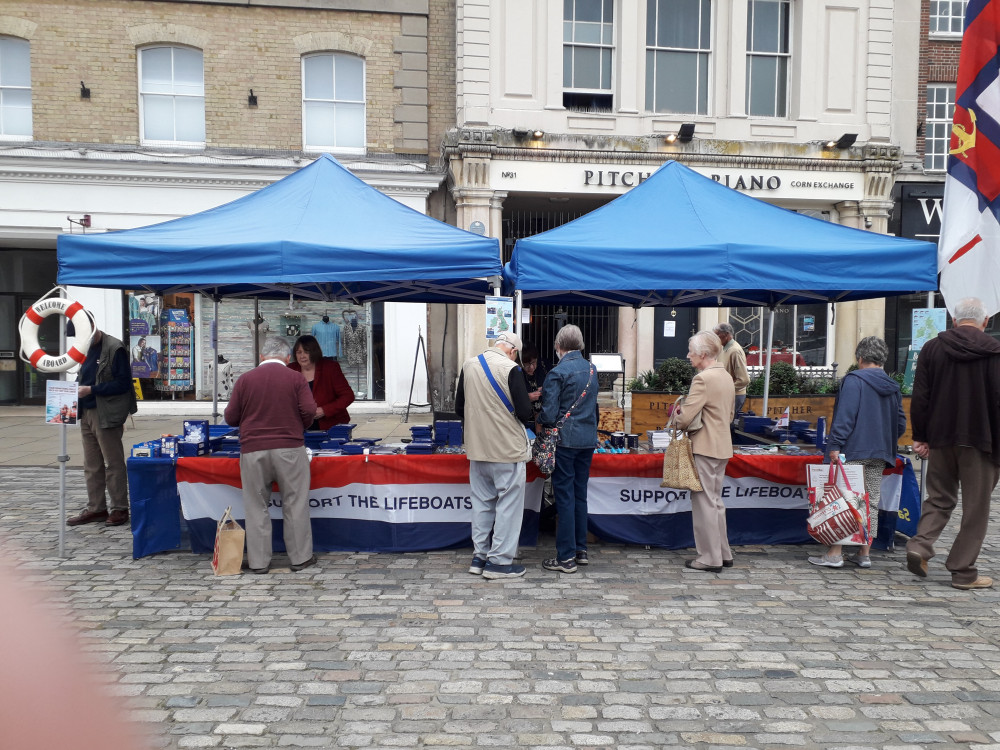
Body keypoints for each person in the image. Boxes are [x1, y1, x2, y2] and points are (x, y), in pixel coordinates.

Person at [906, 297, 1000, 590]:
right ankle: (962, 572)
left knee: (939, 497)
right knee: (976, 508)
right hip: (983, 440)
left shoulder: (933, 348)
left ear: (953, 319)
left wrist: (920, 436)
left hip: (942, 437)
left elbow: (920, 396)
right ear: (985, 321)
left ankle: (920, 546)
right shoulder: (996, 352)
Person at [808, 336, 906, 569]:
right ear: (882, 359)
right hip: (880, 453)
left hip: (853, 451)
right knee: (870, 501)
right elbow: (900, 423)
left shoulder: (854, 380)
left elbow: (845, 417)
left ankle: (835, 553)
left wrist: (834, 445)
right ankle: (864, 552)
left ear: (860, 358)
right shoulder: (893, 386)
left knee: (843, 499)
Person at [224, 337, 318, 574]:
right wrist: (300, 425)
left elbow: (230, 417)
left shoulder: (246, 379)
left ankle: (258, 562)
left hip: (253, 449)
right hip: (289, 448)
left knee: (256, 506)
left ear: (261, 357)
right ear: (288, 358)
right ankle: (300, 558)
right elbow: (308, 410)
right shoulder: (295, 377)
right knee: (295, 503)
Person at [455, 330, 533, 579]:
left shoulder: (469, 365)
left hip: (478, 448)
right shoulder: (512, 369)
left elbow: (459, 408)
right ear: (513, 351)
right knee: (508, 506)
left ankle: (479, 557)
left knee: (481, 504)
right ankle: (499, 562)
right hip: (506, 449)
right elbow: (524, 411)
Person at [674, 330, 735, 572]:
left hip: (705, 446)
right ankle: (722, 553)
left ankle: (710, 558)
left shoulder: (702, 379)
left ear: (702, 354)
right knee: (716, 501)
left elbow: (686, 418)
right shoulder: (726, 376)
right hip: (722, 444)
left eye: (691, 352)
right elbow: (729, 415)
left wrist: (676, 416)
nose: (688, 356)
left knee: (705, 503)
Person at [540, 324, 598, 574]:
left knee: (564, 496)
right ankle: (580, 549)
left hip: (564, 441)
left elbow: (549, 413)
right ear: (581, 345)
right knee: (580, 494)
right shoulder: (592, 369)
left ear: (558, 345)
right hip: (587, 439)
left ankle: (565, 558)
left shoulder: (557, 372)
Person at [67, 326, 137, 528]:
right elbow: (83, 375)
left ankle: (119, 508)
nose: (79, 340)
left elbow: (123, 384)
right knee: (91, 464)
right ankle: (96, 508)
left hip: (106, 412)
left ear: (91, 330)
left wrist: (92, 390)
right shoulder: (84, 348)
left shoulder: (114, 347)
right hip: (86, 411)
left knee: (112, 462)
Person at [288, 334, 355, 430]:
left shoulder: (330, 368)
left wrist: (324, 410)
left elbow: (348, 396)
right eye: (299, 352)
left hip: (330, 425)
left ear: (314, 352)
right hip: (299, 426)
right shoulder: (290, 369)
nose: (302, 356)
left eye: (306, 352)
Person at [713, 322, 750, 414]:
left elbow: (744, 380)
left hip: (734, 396)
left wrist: (726, 389)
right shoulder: (724, 348)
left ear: (726, 334)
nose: (715, 338)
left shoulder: (735, 351)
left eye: (717, 334)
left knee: (727, 425)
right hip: (727, 395)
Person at [520, 342, 548, 422]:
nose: (532, 367)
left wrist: (546, 388)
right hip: (524, 421)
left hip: (544, 418)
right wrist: (526, 398)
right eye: (527, 365)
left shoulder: (544, 366)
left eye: (534, 362)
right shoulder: (517, 372)